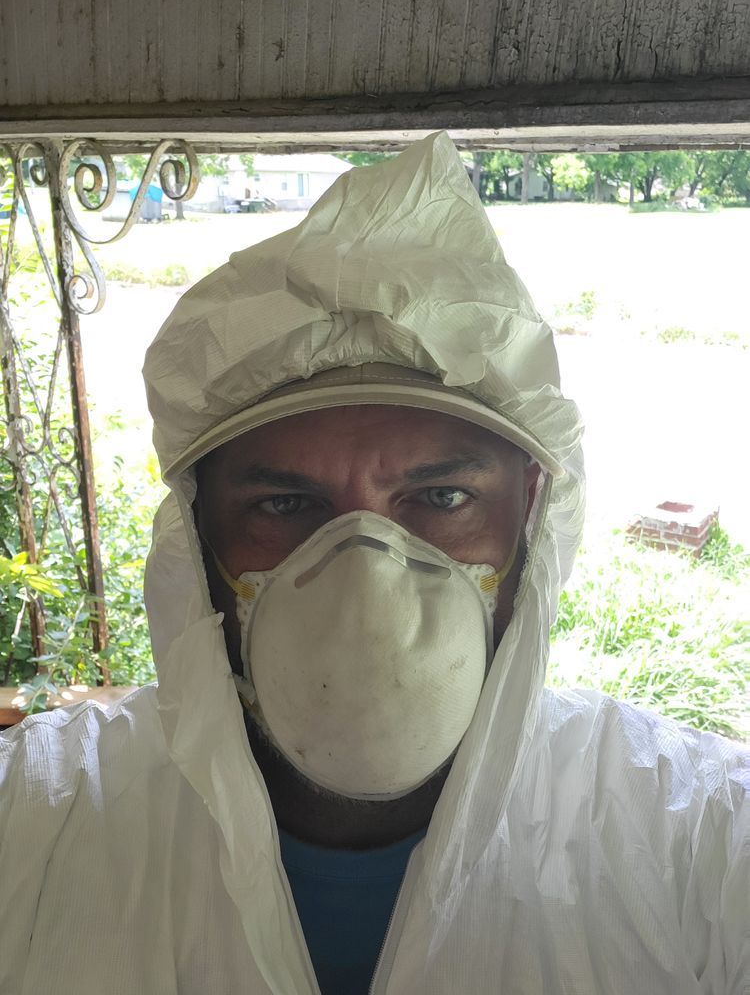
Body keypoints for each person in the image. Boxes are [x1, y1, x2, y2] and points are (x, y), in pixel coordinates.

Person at [0, 133, 747, 995]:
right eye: (285, 506)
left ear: (530, 521)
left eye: (441, 498)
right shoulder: (40, 828)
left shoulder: (698, 842)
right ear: (197, 543)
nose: (365, 585)